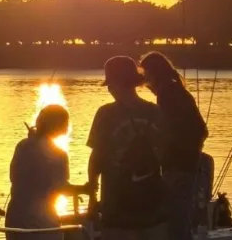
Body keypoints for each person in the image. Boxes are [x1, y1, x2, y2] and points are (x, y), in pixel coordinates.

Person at [88, 56, 168, 240]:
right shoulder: (156, 112)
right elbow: (167, 156)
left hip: (117, 208)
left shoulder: (105, 114)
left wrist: (92, 196)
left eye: (110, 84)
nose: (109, 89)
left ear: (114, 84)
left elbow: (96, 159)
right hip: (155, 206)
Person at [139, 51, 209, 240]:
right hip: (186, 163)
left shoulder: (168, 95)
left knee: (175, 221)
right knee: (180, 217)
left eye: (145, 73)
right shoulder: (176, 91)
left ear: (154, 72)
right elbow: (201, 130)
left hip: (178, 166)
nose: (144, 78)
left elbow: (172, 132)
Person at [6, 105, 89, 240]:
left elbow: (13, 177)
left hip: (16, 216)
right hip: (42, 220)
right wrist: (84, 189)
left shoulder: (22, 146)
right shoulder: (58, 154)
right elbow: (61, 188)